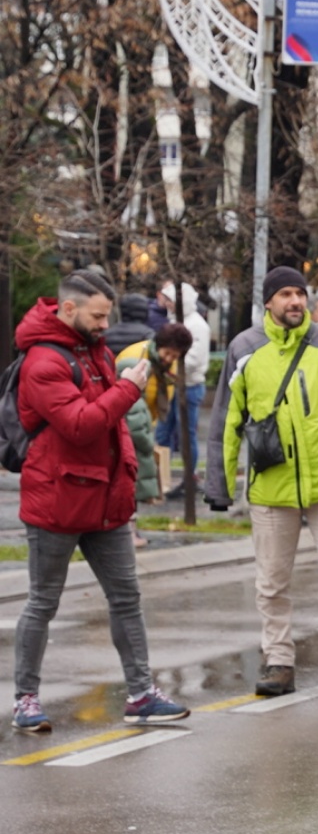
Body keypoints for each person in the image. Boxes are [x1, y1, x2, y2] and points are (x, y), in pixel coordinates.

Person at [11, 272, 188, 732]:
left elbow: (115, 432)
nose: (105, 324)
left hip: (105, 498)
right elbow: (81, 424)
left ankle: (142, 693)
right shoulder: (42, 361)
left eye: (107, 315)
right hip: (57, 499)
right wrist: (129, 388)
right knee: (43, 603)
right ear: (68, 310)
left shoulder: (96, 351)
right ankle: (26, 700)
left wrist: (128, 481)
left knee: (126, 597)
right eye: (97, 315)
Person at [206, 266, 318, 698]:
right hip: (271, 487)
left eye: (300, 294)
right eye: (285, 294)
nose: (295, 301)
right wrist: (219, 485)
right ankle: (278, 660)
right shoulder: (244, 350)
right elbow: (226, 420)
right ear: (268, 302)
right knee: (272, 580)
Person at [116, 323, 193, 535]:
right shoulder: (134, 357)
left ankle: (130, 530)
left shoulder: (169, 367)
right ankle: (126, 531)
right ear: (158, 345)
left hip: (145, 421)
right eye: (167, 353)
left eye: (174, 356)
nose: (169, 359)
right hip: (125, 424)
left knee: (137, 478)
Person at [155, 281, 211, 494]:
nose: (166, 304)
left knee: (185, 435)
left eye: (169, 300)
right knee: (163, 433)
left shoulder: (197, 326)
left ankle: (189, 478)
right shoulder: (178, 322)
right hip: (174, 384)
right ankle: (162, 478)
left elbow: (194, 360)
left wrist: (166, 365)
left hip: (189, 386)